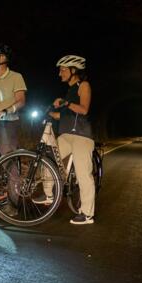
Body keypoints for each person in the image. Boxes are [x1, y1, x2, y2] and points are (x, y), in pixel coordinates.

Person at [41, 54, 96, 225]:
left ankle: (87, 214)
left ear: (74, 71)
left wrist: (65, 103)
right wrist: (48, 113)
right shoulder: (68, 91)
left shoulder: (83, 85)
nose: (60, 73)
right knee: (48, 159)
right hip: (65, 135)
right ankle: (49, 195)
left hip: (82, 136)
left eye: (63, 70)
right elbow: (62, 116)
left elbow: (84, 109)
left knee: (83, 174)